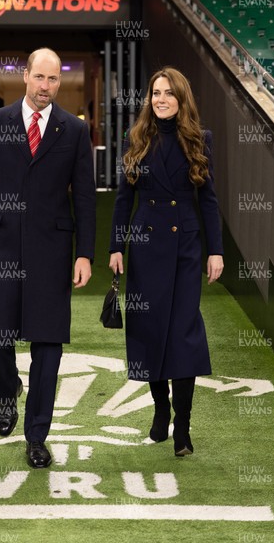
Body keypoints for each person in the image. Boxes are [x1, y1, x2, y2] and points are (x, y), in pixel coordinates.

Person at [0, 47, 96, 469]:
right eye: (40, 78)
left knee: (48, 344)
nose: (46, 86)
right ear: (25, 76)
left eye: (54, 79)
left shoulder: (72, 131)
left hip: (52, 252)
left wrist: (85, 254)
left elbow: (85, 199)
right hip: (1, 247)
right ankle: (7, 387)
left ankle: (36, 436)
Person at [109, 67, 224, 457]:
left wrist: (216, 250)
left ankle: (183, 426)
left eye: (168, 93)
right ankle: (160, 407)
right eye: (155, 93)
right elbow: (124, 199)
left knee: (183, 334)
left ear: (181, 98)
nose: (160, 99)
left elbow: (208, 200)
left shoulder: (200, 140)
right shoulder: (136, 137)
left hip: (186, 248)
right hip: (145, 245)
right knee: (149, 330)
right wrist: (115, 247)